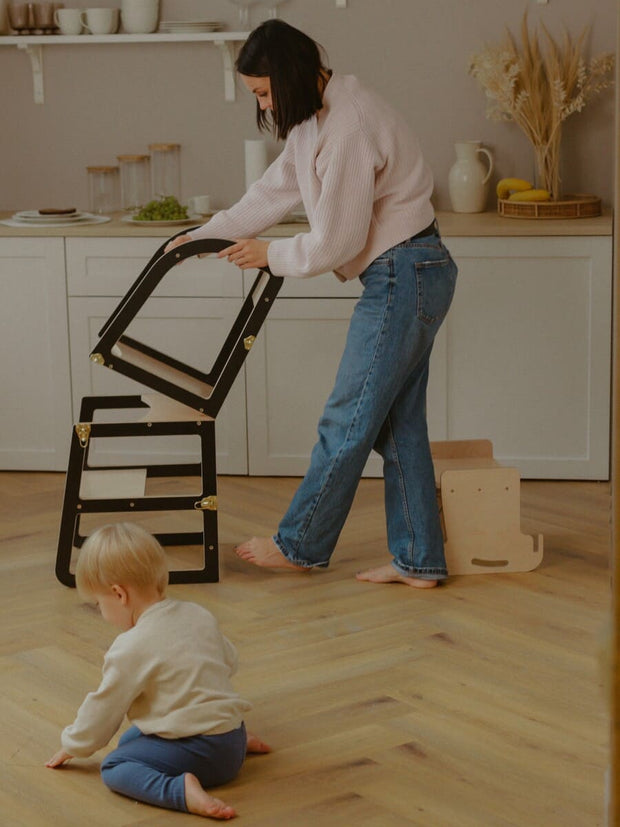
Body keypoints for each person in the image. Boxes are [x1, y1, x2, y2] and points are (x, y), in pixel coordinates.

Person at [165, 20, 458, 589]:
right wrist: (205, 236)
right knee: (398, 427)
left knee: (346, 418)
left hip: (402, 274)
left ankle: (301, 544)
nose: (265, 104)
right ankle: (420, 559)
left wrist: (267, 254)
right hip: (411, 272)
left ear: (291, 74)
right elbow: (273, 191)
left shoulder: (348, 124)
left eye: (264, 92)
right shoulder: (318, 117)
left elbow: (339, 241)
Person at [46, 523, 270, 820]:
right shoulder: (197, 614)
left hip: (208, 755)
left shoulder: (130, 647)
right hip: (230, 734)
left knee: (115, 765)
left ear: (119, 594)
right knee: (131, 739)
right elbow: (229, 661)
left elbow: (104, 709)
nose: (101, 612)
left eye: (99, 603)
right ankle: (240, 741)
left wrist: (73, 745)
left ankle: (181, 791)